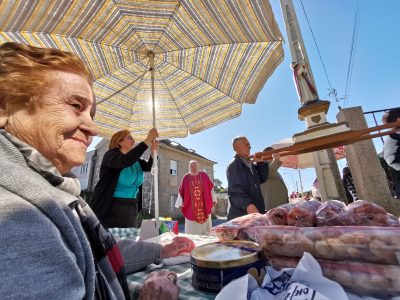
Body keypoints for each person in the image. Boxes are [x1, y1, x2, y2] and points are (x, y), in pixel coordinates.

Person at [0, 42, 195, 299]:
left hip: (129, 208)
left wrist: (160, 251)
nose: (92, 128)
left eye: (92, 113)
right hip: (112, 207)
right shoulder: (16, 214)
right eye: (76, 105)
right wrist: (146, 141)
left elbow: (97, 249)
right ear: (5, 106)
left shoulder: (54, 193)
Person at [90, 128, 158, 228]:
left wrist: (153, 154)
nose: (133, 141)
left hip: (132, 206)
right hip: (111, 207)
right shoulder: (111, 156)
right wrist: (147, 140)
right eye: (129, 138)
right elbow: (125, 160)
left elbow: (148, 167)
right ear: (119, 141)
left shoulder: (135, 160)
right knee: (113, 240)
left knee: (128, 238)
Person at [226, 136, 269, 220]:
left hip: (255, 211)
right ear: (237, 148)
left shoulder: (251, 164)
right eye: (246, 144)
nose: (250, 146)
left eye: (249, 144)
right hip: (242, 215)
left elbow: (262, 178)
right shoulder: (234, 166)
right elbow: (235, 192)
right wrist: (248, 205)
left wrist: (260, 163)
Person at [175, 160, 217, 235]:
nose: (193, 168)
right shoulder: (186, 178)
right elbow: (181, 191)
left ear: (198, 167)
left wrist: (213, 201)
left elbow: (210, 189)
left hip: (204, 207)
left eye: (195, 166)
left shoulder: (204, 175)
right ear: (189, 167)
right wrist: (180, 203)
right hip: (190, 208)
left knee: (206, 232)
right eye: (191, 166)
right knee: (192, 232)